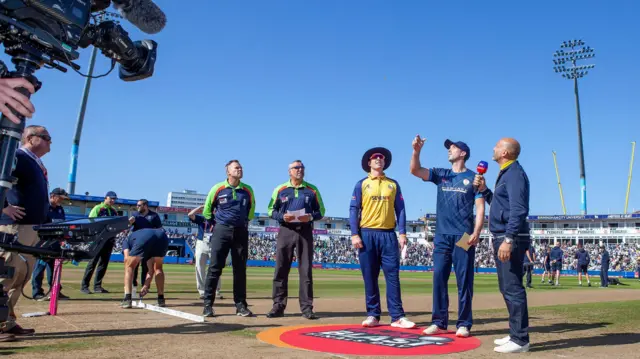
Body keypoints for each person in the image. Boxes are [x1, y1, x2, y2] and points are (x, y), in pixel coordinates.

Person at [410, 136, 485, 338]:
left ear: (463, 153)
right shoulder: (441, 174)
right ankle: (439, 322)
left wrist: (477, 231)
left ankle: (464, 324)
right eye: (448, 148)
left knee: (464, 281)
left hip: (464, 236)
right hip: (442, 236)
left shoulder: (474, 178)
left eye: (453, 148)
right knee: (439, 279)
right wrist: (416, 151)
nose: (449, 150)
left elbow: (480, 208)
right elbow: (415, 171)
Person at [474, 137, 530, 353]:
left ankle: (520, 339)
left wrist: (508, 239)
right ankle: (515, 334)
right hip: (503, 235)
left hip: (510, 238)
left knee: (513, 287)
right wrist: (487, 191)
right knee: (506, 287)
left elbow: (518, 209)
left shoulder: (514, 174)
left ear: (505, 152)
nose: (493, 148)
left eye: (497, 146)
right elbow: (500, 206)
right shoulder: (506, 173)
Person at [349, 147, 416, 329]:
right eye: (375, 157)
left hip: (388, 235)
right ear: (369, 163)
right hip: (367, 233)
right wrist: (354, 234)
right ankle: (373, 315)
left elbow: (400, 209)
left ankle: (397, 316)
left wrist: (402, 233)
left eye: (382, 157)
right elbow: (354, 210)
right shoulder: (361, 184)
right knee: (370, 277)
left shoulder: (393, 184)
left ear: (385, 163)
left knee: (392, 276)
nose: (379, 159)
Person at [0, 125, 51, 339]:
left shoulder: (35, 163)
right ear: (30, 138)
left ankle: (6, 321)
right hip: (15, 227)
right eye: (46, 137)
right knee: (7, 273)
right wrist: (4, 206)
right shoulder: (16, 155)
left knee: (22, 276)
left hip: (32, 227)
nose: (50, 142)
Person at [266, 160, 325, 320]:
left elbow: (321, 211)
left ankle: (307, 308)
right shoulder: (281, 189)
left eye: (302, 168)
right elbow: (271, 209)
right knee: (281, 269)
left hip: (305, 231)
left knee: (305, 271)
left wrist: (311, 216)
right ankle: (278, 306)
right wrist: (281, 216)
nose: (300, 170)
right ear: (289, 171)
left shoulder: (312, 190)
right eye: (296, 168)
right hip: (285, 230)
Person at [201, 160, 255, 317]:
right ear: (228, 172)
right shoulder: (217, 188)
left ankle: (241, 306)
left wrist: (243, 223)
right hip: (221, 231)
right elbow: (207, 211)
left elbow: (251, 211)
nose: (240, 170)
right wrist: (217, 225)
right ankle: (207, 305)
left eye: (241, 167)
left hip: (240, 232)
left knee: (240, 270)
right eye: (236, 168)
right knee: (215, 267)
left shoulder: (247, 190)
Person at [31, 188, 71, 301]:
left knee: (54, 269)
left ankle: (56, 291)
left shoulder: (60, 209)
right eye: (61, 198)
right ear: (53, 196)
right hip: (43, 242)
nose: (62, 200)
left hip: (56, 242)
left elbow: (62, 225)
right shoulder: (43, 207)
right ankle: (37, 292)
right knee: (40, 267)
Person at [81, 191, 119, 294]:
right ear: (105, 198)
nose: (112, 200)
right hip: (98, 240)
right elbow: (91, 222)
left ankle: (97, 286)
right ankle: (84, 286)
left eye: (114, 199)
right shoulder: (98, 208)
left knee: (103, 264)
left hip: (109, 240)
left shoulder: (114, 211)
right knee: (92, 263)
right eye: (111, 198)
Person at [120, 228, 169, 308]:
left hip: (145, 238)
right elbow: (151, 271)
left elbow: (126, 260)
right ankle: (161, 299)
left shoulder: (126, 241)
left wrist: (126, 289)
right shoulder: (140, 240)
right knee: (158, 268)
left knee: (129, 267)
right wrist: (146, 285)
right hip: (162, 237)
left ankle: (127, 299)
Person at [187, 205, 223, 300]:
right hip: (201, 242)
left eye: (213, 210)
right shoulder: (201, 218)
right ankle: (202, 291)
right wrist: (200, 207)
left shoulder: (219, 219)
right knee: (199, 267)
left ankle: (216, 291)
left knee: (215, 267)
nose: (212, 211)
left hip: (214, 242)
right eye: (210, 209)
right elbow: (190, 215)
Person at [128, 199, 163, 293]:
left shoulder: (154, 216)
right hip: (137, 243)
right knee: (134, 265)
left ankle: (145, 286)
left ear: (145, 206)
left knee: (146, 267)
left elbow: (159, 229)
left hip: (149, 244)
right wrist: (130, 223)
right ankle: (133, 284)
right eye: (137, 205)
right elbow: (129, 227)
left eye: (139, 205)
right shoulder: (135, 215)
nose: (137, 207)